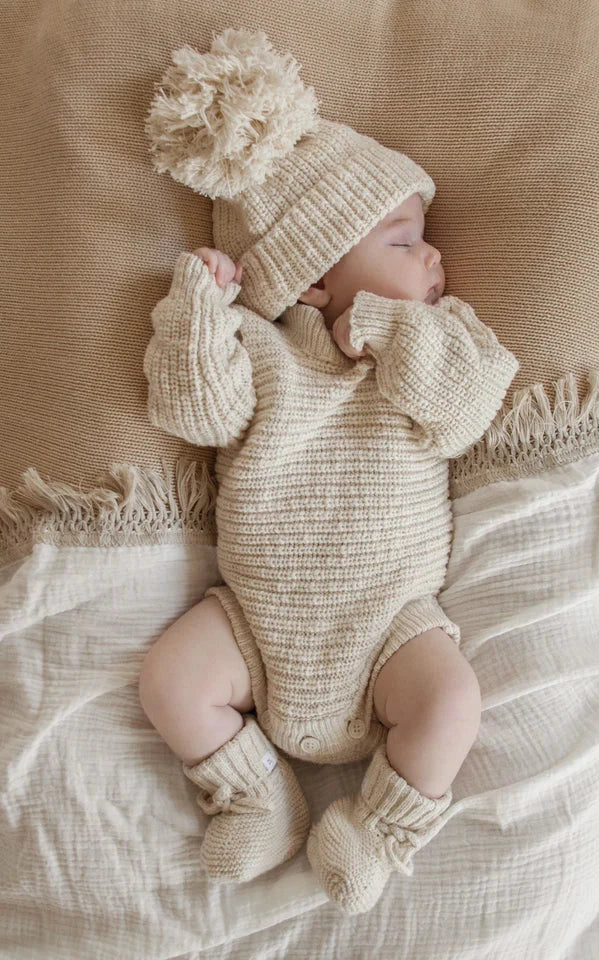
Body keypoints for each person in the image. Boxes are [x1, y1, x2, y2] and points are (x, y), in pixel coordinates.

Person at [138, 26, 519, 915]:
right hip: (255, 631)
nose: (435, 259)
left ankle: (376, 830)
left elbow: (471, 408)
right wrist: (196, 310)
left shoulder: (433, 344)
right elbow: (195, 412)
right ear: (311, 280)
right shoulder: (258, 351)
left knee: (451, 702)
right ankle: (253, 796)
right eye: (403, 241)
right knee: (170, 679)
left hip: (392, 626)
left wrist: (391, 331)